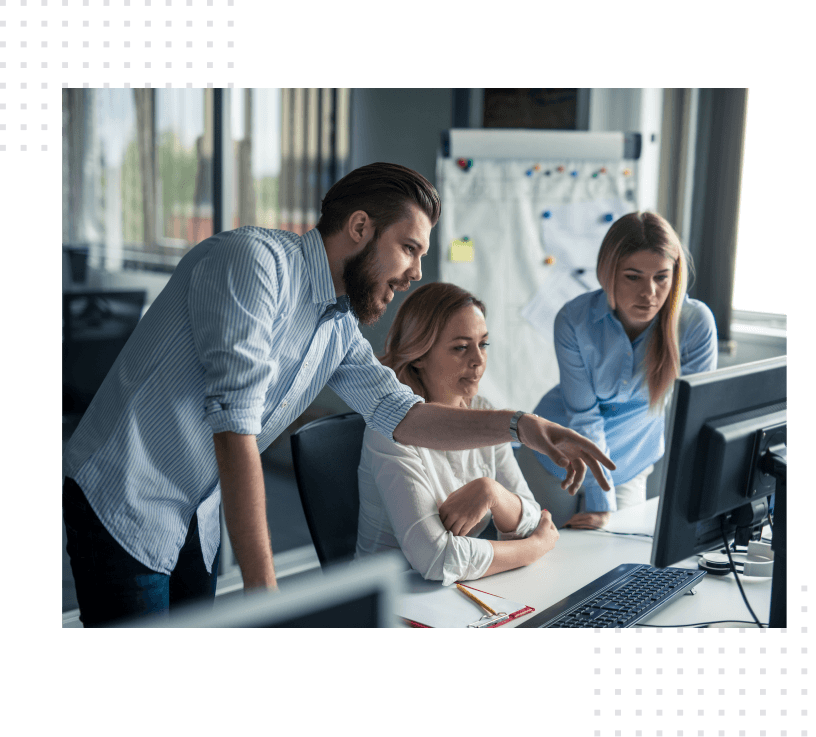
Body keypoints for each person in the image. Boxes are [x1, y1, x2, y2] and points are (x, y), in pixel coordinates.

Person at [62, 162, 616, 627]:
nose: (415, 273)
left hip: (197, 507)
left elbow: (406, 416)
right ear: (358, 227)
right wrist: (266, 596)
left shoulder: (336, 326)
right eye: (408, 248)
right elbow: (236, 430)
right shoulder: (253, 265)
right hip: (127, 494)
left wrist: (522, 425)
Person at [517, 211, 717, 531]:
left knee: (619, 560)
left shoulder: (694, 324)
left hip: (629, 464)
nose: (649, 293)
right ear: (608, 273)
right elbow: (585, 416)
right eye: (633, 276)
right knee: (541, 553)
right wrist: (599, 503)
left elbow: (694, 420)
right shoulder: (574, 319)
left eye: (661, 277)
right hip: (556, 456)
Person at [355, 283, 561, 585]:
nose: (478, 360)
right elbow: (437, 558)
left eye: (484, 344)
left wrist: (491, 492)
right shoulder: (389, 429)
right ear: (418, 355)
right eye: (461, 347)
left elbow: (530, 518)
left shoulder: (483, 411)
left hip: (454, 593)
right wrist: (534, 549)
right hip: (390, 601)